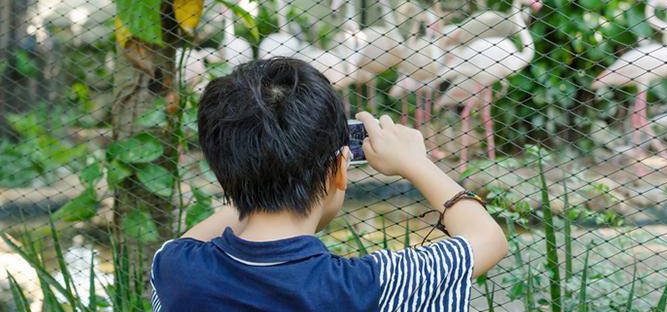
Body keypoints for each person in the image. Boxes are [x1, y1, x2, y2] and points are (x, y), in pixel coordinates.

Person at [150, 58, 508, 311]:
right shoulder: (368, 286)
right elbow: (487, 239)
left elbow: (195, 238)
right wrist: (417, 164)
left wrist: (255, 177)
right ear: (340, 169)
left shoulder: (175, 271)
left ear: (221, 172)